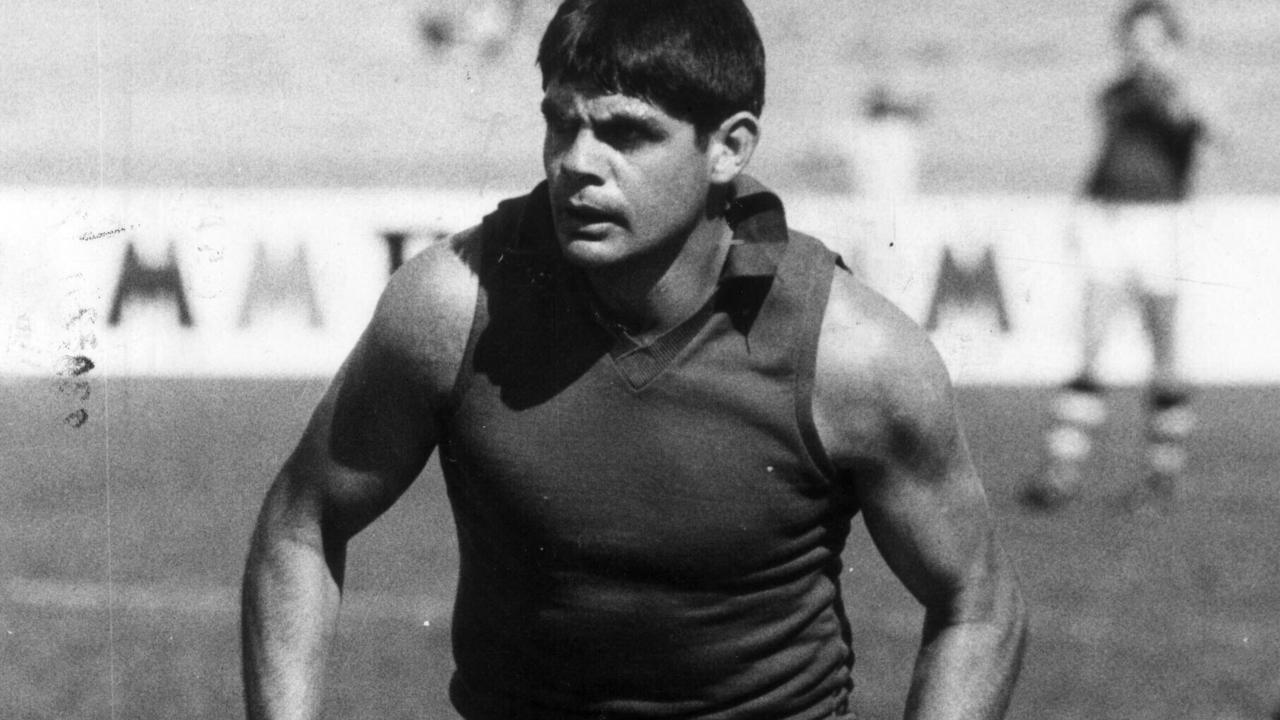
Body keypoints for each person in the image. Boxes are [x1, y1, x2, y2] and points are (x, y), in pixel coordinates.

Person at [241, 1, 1028, 718]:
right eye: (561, 123)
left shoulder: (852, 355)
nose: (577, 162)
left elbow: (978, 604)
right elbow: (299, 524)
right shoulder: (453, 307)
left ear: (729, 148)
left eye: (625, 131)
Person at [1022, 0, 1208, 514]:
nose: (1140, 50)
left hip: (1161, 223)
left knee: (1163, 349)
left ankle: (1161, 475)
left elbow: (1210, 132)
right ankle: (1061, 472)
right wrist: (1081, 206)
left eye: (1151, 41)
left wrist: (1175, 86)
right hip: (1109, 221)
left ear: (1169, 44)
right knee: (1091, 344)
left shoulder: (1181, 92)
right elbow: (1108, 156)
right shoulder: (1114, 95)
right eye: (1134, 40)